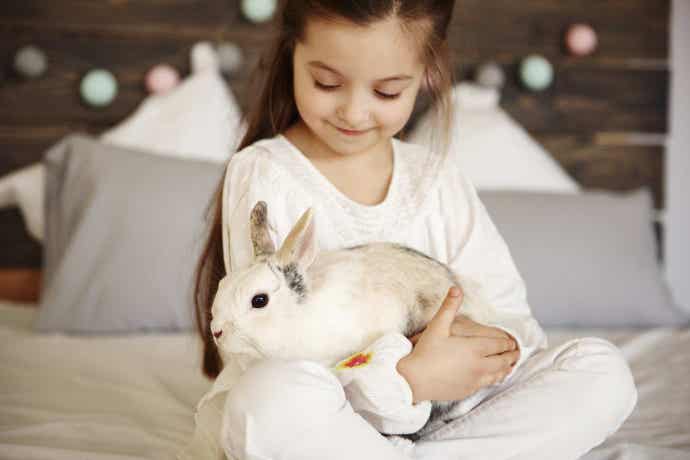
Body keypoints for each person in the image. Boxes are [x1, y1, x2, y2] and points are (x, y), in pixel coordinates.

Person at [181, 1, 637, 459]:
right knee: (267, 400)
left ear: (426, 73)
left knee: (602, 375)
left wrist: (464, 357)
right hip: (331, 420)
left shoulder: (436, 182)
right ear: (291, 54)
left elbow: (513, 321)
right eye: (327, 83)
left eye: (387, 92)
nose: (354, 113)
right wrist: (405, 380)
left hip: (451, 413)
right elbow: (256, 345)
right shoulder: (264, 173)